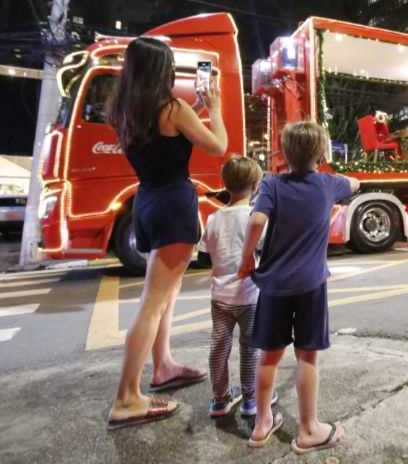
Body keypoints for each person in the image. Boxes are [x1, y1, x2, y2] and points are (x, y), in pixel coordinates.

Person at [106, 37, 228, 430]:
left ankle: (163, 365)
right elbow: (219, 146)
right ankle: (126, 398)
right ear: (163, 71)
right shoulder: (172, 108)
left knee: (164, 295)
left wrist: (195, 110)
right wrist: (216, 108)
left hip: (148, 200)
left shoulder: (125, 109)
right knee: (152, 303)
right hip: (174, 204)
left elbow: (166, 139)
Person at [238, 121, 358, 451]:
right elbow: (356, 182)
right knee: (307, 357)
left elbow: (256, 221)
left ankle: (261, 424)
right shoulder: (328, 184)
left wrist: (246, 259)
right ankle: (308, 430)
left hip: (274, 285)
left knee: (268, 357)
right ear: (321, 153)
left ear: (284, 153)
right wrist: (326, 166)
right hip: (311, 286)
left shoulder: (273, 185)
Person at [198, 157, 279, 418]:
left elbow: (207, 250)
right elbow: (265, 251)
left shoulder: (213, 218)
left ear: (225, 184)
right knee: (250, 347)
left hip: (220, 297)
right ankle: (251, 399)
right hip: (250, 296)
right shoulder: (255, 218)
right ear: (256, 186)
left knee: (219, 346)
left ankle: (220, 399)